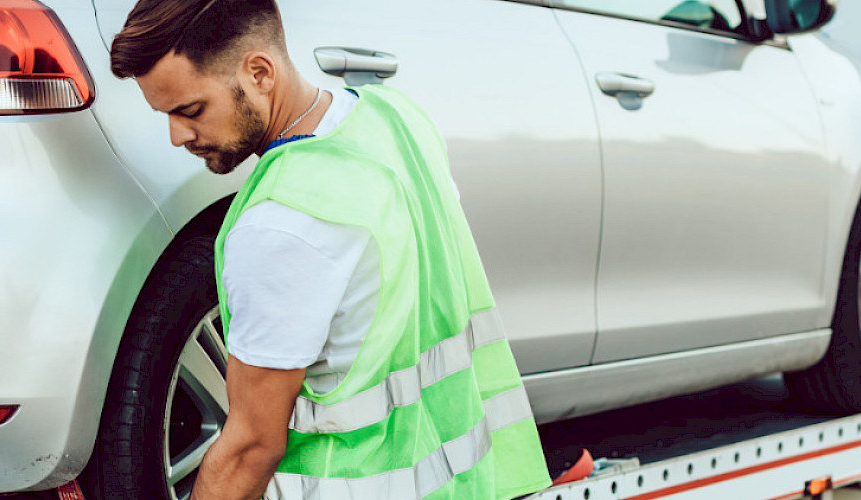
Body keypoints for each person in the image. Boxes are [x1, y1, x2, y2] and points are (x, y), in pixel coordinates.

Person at [109, 1, 552, 499]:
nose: (177, 136)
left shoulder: (280, 223)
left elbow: (250, 446)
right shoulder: (397, 119)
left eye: (190, 110)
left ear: (259, 73)